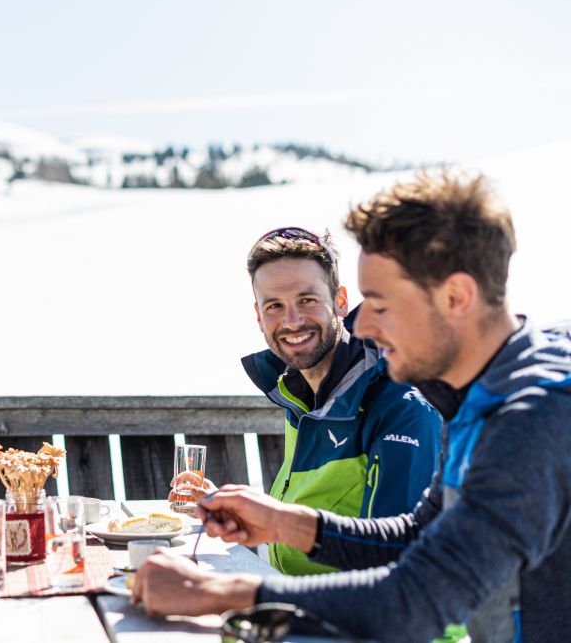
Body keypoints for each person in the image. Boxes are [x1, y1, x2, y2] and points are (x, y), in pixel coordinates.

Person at [134, 173, 571, 642]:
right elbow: (417, 537)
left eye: (380, 304)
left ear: (456, 298)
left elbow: (419, 597)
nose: (364, 327)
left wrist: (223, 591)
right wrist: (283, 522)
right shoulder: (476, 395)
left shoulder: (533, 416)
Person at [170, 227, 442, 576]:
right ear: (258, 317)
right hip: (306, 604)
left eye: (307, 300)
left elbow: (398, 566)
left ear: (340, 302)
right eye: (274, 306)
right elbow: (311, 527)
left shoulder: (401, 409)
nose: (292, 321)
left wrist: (248, 597)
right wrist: (237, 511)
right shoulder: (301, 396)